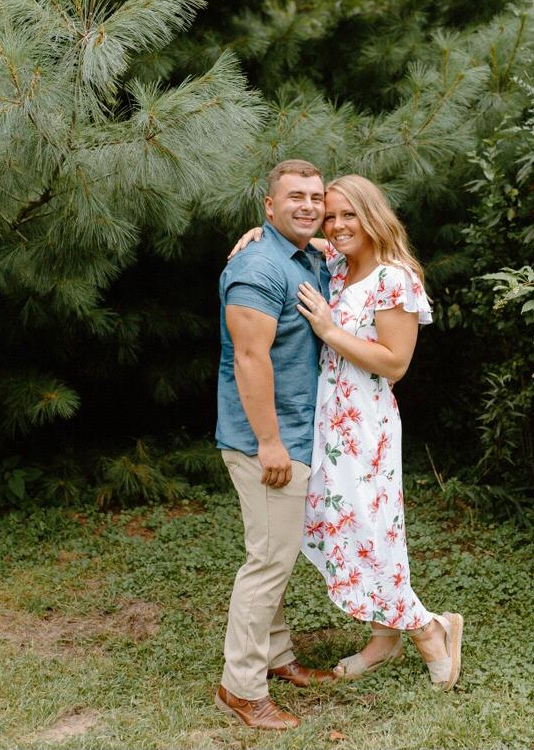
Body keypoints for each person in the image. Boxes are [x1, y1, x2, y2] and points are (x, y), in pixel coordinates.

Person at [230, 174, 464, 692]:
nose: (335, 225)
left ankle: (428, 629)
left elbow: (396, 362)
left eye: (347, 214)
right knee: (349, 527)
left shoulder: (394, 278)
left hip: (365, 424)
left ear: (372, 215)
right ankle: (385, 636)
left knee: (369, 530)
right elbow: (305, 239)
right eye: (330, 215)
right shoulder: (336, 265)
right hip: (327, 420)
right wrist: (260, 232)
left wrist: (330, 331)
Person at [214, 159, 337, 732]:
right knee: (267, 561)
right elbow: (248, 357)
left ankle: (277, 655)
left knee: (278, 554)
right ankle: (240, 688)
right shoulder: (258, 266)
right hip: (266, 440)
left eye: (316, 197)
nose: (308, 206)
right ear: (269, 205)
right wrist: (269, 442)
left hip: (297, 433)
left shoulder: (304, 256)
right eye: (295, 197)